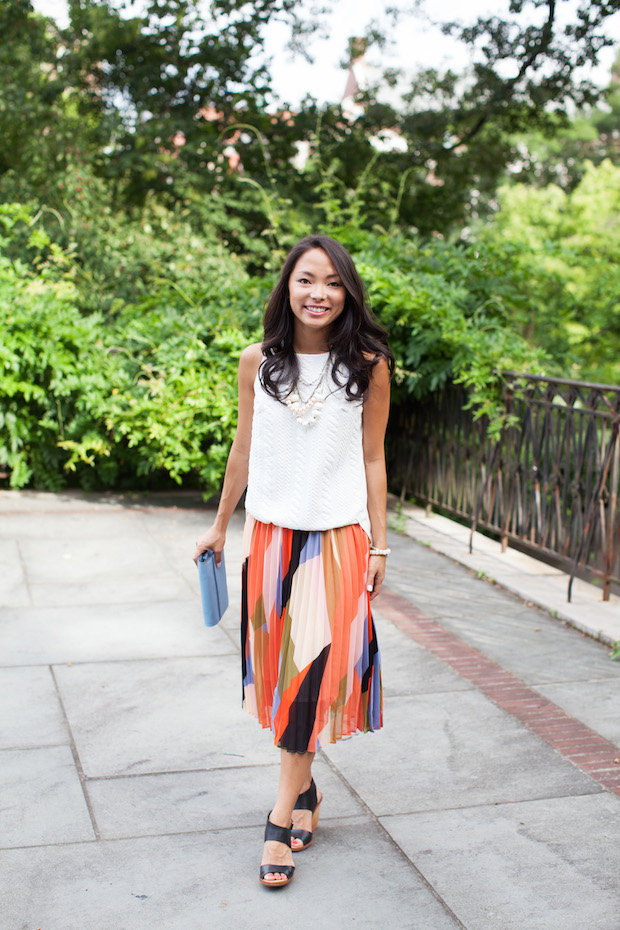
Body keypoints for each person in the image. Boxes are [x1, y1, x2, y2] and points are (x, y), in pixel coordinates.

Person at [193, 234, 394, 888]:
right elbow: (244, 451)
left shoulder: (366, 364)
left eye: (334, 283)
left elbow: (372, 459)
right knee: (285, 677)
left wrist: (381, 543)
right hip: (273, 540)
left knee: (308, 675)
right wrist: (221, 527)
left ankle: (279, 817)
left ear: (348, 293)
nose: (319, 294)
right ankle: (306, 794)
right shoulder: (258, 362)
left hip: (336, 542)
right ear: (287, 286)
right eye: (308, 280)